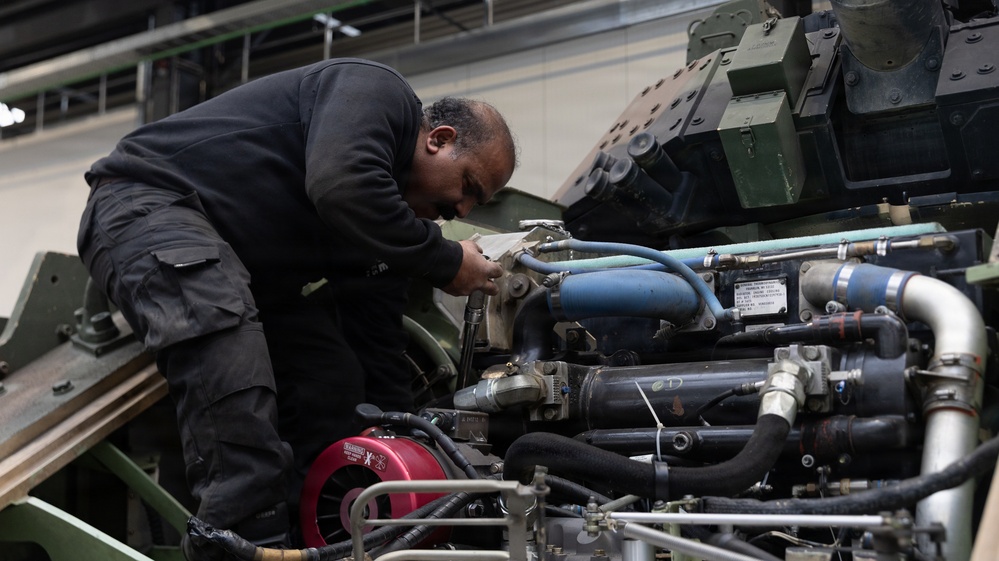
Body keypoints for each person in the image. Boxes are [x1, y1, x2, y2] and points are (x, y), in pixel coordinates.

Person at [76, 58, 516, 559]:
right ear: (438, 138)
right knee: (230, 358)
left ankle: (314, 537)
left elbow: (377, 349)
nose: (461, 212)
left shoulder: (382, 234)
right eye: (468, 188)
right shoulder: (378, 92)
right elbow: (342, 186)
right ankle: (245, 544)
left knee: (329, 376)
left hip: (246, 270)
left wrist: (411, 443)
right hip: (148, 204)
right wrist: (444, 260)